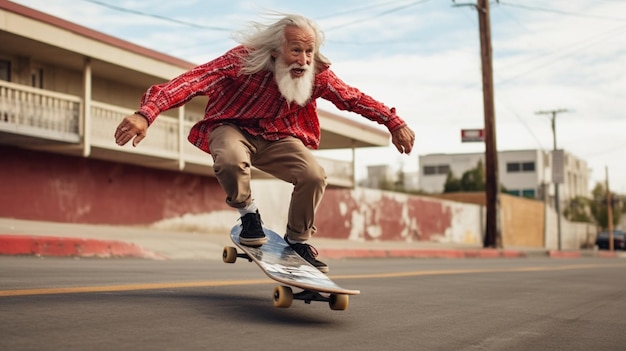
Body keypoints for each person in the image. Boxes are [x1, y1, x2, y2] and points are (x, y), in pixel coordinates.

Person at [114, 13, 415, 273]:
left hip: (279, 136)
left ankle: (297, 241)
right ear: (275, 50)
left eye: (309, 51)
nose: (303, 60)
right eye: (296, 50)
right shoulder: (243, 60)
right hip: (231, 126)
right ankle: (249, 215)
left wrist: (393, 121)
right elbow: (194, 81)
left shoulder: (318, 75)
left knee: (313, 175)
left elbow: (353, 98)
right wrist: (146, 113)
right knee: (231, 158)